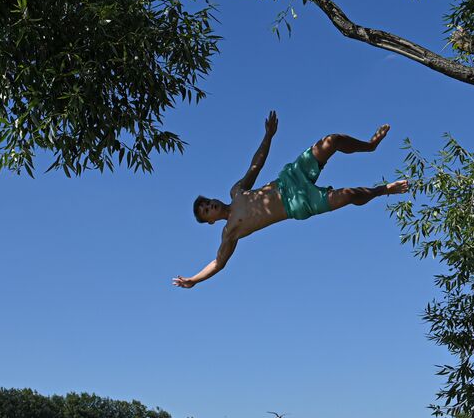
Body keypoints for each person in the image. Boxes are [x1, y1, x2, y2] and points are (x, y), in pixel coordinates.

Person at [173, 111, 409, 288]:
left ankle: (370, 146)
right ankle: (384, 190)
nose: (209, 206)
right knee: (349, 196)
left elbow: (256, 165)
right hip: (297, 204)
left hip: (290, 178)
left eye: (206, 203)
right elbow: (218, 262)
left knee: (332, 140)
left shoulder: (236, 192)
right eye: (206, 212)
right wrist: (194, 279)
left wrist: (268, 136)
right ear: (211, 221)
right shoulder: (230, 232)